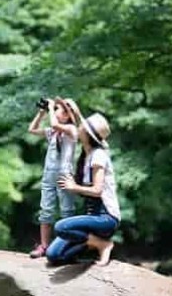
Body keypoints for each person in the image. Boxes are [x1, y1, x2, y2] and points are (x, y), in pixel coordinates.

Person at [45, 104, 121, 266]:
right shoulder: (85, 156)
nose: (78, 128)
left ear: (87, 134)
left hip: (105, 217)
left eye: (81, 127)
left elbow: (97, 190)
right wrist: (76, 111)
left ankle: (102, 244)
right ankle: (92, 242)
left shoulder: (98, 156)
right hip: (91, 217)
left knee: (61, 227)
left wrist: (74, 187)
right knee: (54, 255)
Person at [28, 97, 78, 258]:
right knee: (46, 210)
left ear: (68, 115)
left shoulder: (71, 129)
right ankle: (44, 246)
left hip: (64, 174)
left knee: (66, 211)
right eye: (55, 109)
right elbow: (32, 129)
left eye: (59, 110)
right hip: (48, 173)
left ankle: (67, 245)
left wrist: (50, 108)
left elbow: (56, 124)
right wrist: (42, 113)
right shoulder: (53, 132)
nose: (55, 112)